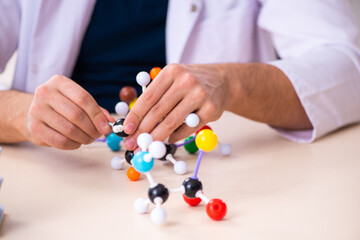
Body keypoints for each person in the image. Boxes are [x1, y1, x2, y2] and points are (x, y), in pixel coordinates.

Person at [0, 0, 359, 150]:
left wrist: (230, 83)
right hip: (58, 175)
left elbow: (348, 69)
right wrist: (19, 113)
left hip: (210, 175)